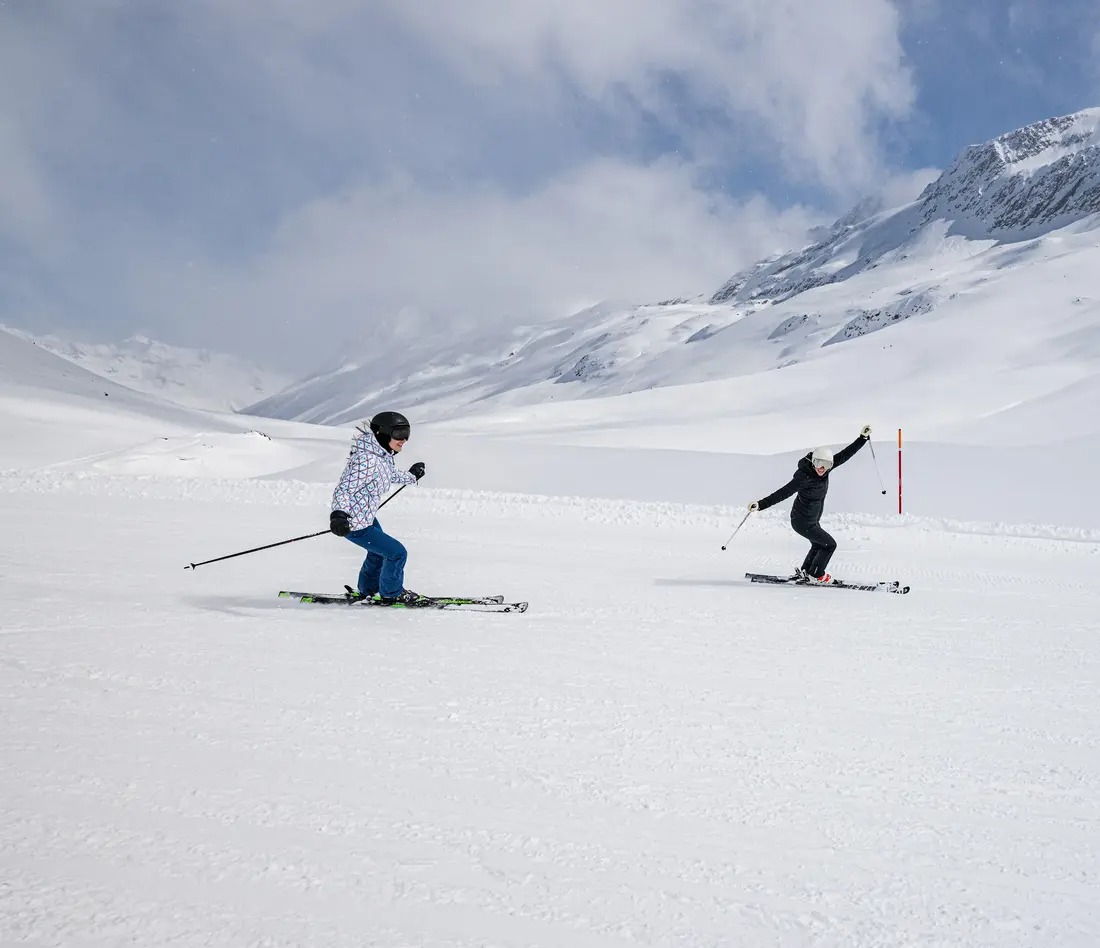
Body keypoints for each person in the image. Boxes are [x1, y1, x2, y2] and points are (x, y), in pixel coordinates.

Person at [748, 425, 872, 584]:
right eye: (820, 463)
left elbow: (846, 454)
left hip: (812, 520)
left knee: (818, 544)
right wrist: (760, 505)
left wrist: (862, 438)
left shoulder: (825, 470)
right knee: (829, 545)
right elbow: (783, 493)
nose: (823, 468)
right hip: (802, 521)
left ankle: (807, 572)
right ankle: (817, 575)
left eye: (827, 464)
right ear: (813, 461)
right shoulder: (804, 477)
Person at [329, 410, 426, 605]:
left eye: (406, 433)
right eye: (398, 433)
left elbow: (388, 475)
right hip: (354, 523)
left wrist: (411, 476)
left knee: (377, 553)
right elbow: (345, 489)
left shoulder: (381, 456)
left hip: (366, 518)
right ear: (383, 433)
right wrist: (338, 515)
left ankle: (368, 590)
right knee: (397, 553)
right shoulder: (367, 459)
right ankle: (391, 593)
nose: (404, 439)